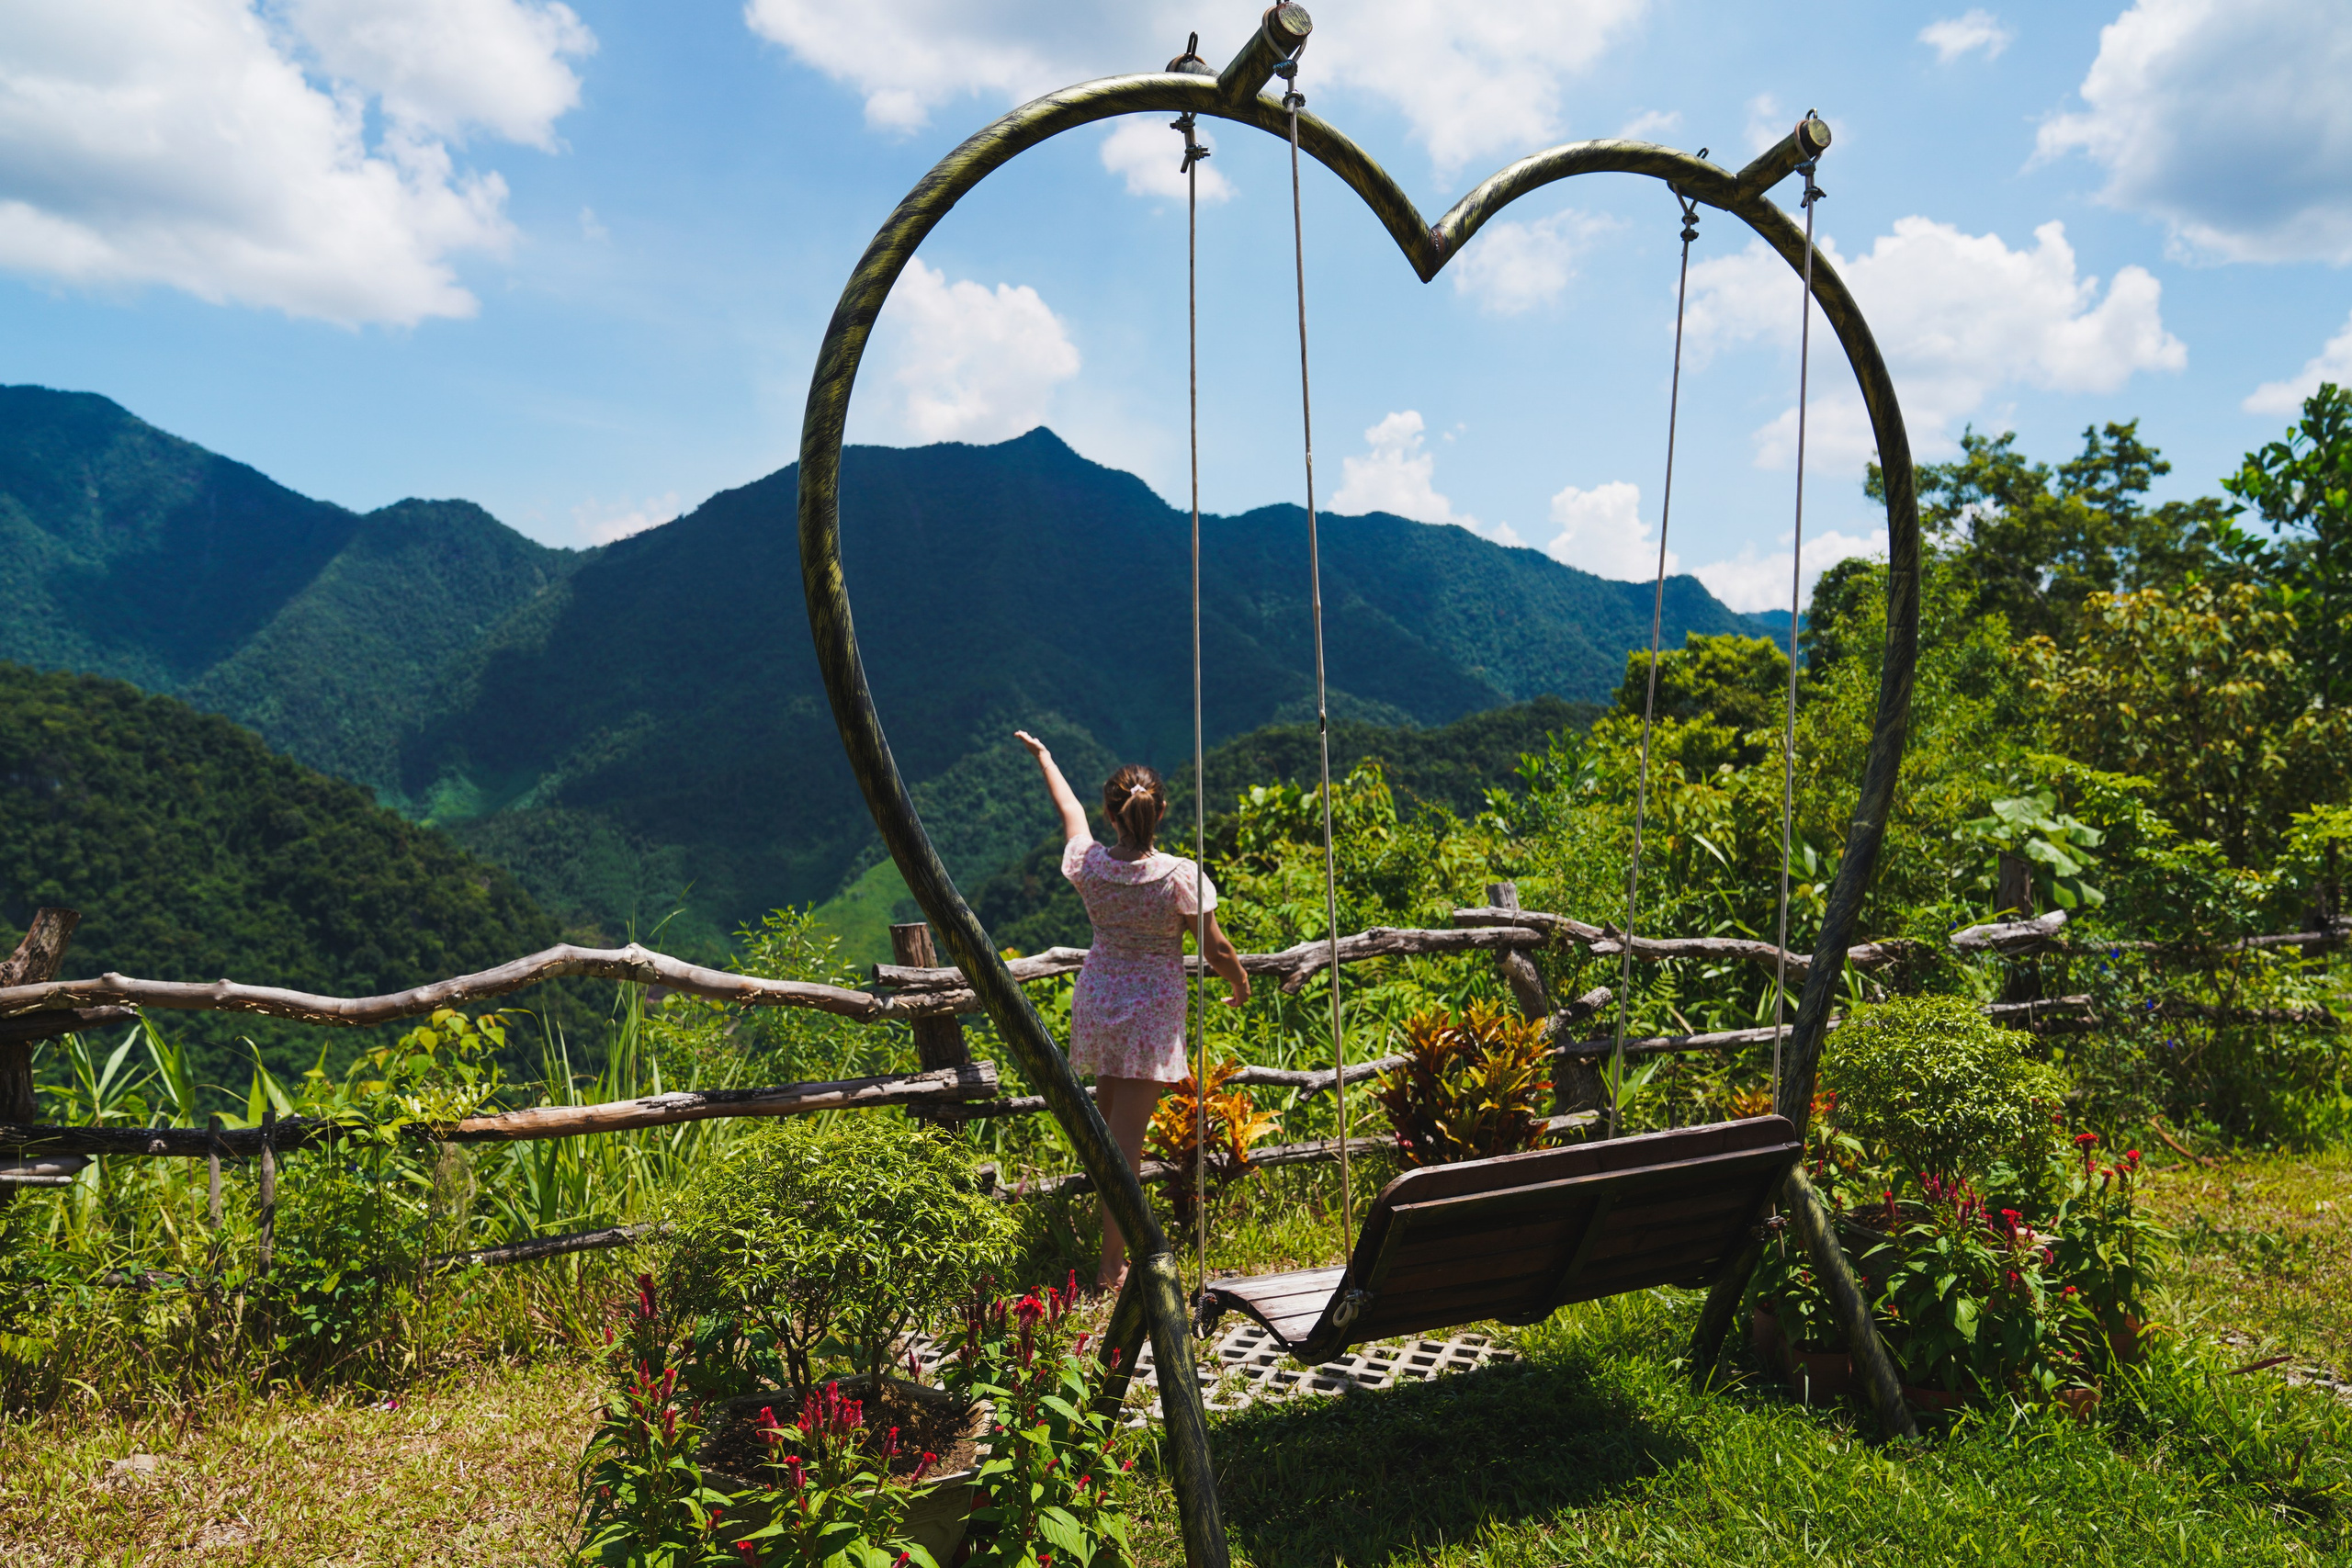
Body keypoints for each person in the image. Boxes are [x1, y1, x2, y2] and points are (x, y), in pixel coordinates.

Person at [1014, 729, 1250, 1293]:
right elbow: (1215, 948)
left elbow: (1069, 812)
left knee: (1109, 1135)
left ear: (1110, 813)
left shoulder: (1090, 865)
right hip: (1151, 1014)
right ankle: (1110, 1268)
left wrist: (1045, 758)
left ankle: (1111, 1254)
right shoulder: (1179, 876)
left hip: (1099, 1000)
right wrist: (1239, 980)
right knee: (1124, 1147)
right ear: (1160, 811)